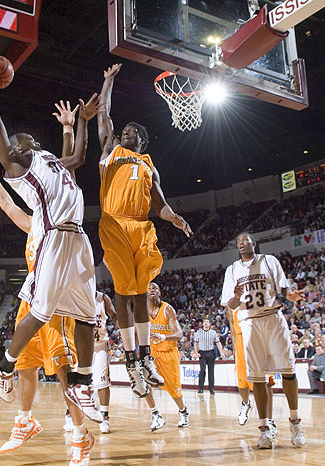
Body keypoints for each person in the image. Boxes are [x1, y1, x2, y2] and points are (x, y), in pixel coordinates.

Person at [0, 63, 101, 466]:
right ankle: (9, 375)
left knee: (86, 319)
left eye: (23, 135)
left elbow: (78, 154)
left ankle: (82, 390)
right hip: (53, 247)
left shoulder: (50, 161)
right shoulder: (19, 166)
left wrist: (79, 122)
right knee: (37, 326)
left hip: (77, 238)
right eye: (15, 139)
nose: (21, 136)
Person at [97, 63, 193, 398]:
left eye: (132, 131)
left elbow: (160, 204)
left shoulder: (150, 165)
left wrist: (173, 217)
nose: (125, 132)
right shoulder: (111, 152)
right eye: (123, 130)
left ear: (143, 139)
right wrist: (108, 81)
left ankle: (144, 357)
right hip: (114, 223)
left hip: (143, 226)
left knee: (139, 295)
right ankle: (130, 358)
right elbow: (103, 118)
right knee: (123, 295)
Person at [221, 232, 305, 449]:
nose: (241, 244)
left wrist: (291, 296)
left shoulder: (269, 261)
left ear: (253, 244)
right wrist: (237, 297)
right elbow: (230, 304)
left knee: (289, 371)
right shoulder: (231, 270)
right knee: (257, 378)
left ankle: (295, 423)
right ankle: (265, 429)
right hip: (248, 323)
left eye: (245, 241)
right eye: (238, 242)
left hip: (273, 318)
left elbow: (282, 288)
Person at [144, 282, 189, 431]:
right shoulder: (142, 311)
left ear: (160, 292)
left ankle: (183, 411)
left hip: (168, 353)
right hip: (152, 354)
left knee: (174, 389)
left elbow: (179, 334)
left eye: (155, 288)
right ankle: (155, 414)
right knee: (144, 382)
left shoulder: (167, 309)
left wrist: (162, 337)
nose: (152, 290)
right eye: (149, 288)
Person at [226, 306, 275, 426]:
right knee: (242, 382)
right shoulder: (231, 301)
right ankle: (246, 403)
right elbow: (232, 325)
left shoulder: (256, 294)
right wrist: (234, 347)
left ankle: (269, 421)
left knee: (266, 380)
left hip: (258, 335)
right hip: (241, 339)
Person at [89, 290, 118, 434]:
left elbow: (114, 316)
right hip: (80, 346)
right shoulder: (74, 293)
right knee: (75, 383)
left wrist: (125, 332)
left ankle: (104, 417)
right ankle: (70, 414)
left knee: (102, 382)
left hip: (100, 345)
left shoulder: (102, 298)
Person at [193, 318, 224, 394]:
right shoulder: (198, 332)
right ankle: (200, 388)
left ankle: (211, 389)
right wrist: (196, 352)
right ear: (202, 324)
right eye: (205, 322)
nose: (206, 323)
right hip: (202, 353)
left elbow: (218, 342)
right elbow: (195, 343)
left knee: (211, 372)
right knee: (202, 370)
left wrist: (221, 352)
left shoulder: (213, 333)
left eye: (207, 322)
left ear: (210, 324)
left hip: (210, 352)